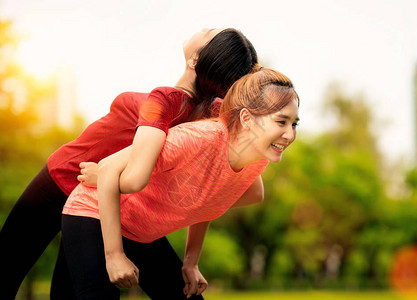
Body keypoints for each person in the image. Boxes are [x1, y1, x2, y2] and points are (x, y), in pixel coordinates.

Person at [0, 28, 260, 300]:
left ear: (195, 60)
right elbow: (207, 192)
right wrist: (190, 260)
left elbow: (206, 191)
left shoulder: (172, 107)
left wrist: (191, 261)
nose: (203, 29)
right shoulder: (210, 120)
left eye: (209, 35)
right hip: (68, 180)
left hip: (110, 203)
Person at [61, 68, 300, 299]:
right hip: (95, 214)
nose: (289, 135)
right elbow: (107, 168)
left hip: (141, 233)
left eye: (294, 124)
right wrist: (114, 255)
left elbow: (211, 197)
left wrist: (191, 262)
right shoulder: (198, 139)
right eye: (281, 122)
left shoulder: (255, 163)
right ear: (246, 118)